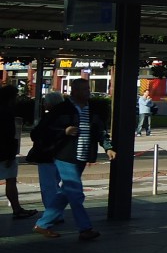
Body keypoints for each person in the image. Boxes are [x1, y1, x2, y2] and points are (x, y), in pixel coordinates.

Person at [32, 79, 114, 240]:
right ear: (74, 91)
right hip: (65, 155)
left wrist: (108, 146)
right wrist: (64, 131)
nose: (87, 92)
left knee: (66, 192)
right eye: (83, 90)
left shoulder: (92, 110)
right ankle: (85, 228)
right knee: (75, 192)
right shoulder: (62, 110)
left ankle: (42, 224)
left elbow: (99, 130)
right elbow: (40, 131)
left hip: (82, 157)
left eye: (87, 89)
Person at [1, 84, 38, 219]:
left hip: (3, 151)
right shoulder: (7, 112)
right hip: (5, 153)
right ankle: (16, 209)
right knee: (11, 180)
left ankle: (17, 209)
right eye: (15, 96)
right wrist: (11, 154)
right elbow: (9, 134)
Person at [34, 92, 65, 227]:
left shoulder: (50, 117)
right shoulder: (65, 116)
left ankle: (52, 214)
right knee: (57, 184)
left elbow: (38, 133)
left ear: (51, 103)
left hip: (47, 155)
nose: (44, 104)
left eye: (46, 101)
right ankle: (57, 212)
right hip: (61, 154)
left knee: (48, 185)